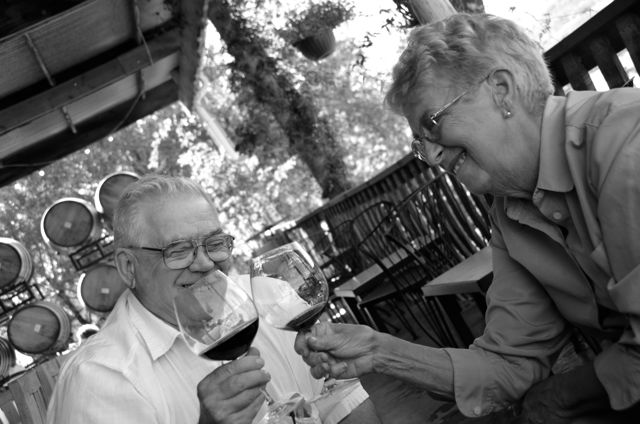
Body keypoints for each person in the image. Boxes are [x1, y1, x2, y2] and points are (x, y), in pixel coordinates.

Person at [295, 12, 640, 424]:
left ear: (501, 91)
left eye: (433, 123)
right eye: (420, 144)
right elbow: (508, 363)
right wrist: (378, 351)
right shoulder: (510, 212)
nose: (432, 156)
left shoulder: (624, 144)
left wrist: (564, 395)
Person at [47, 174, 375, 424]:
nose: (206, 263)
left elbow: (349, 402)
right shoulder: (101, 379)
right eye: (178, 250)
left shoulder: (269, 298)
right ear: (128, 267)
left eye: (215, 243)